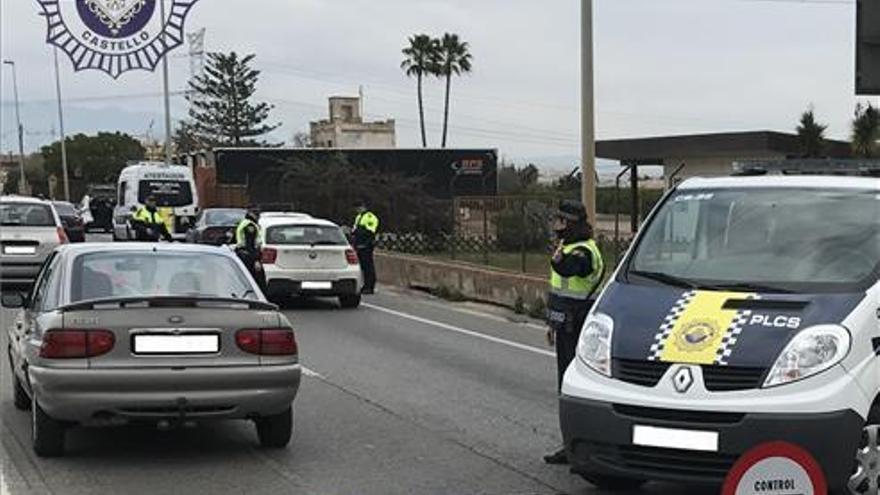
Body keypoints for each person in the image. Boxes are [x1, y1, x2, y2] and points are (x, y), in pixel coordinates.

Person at [543, 199, 605, 465]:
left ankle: (581, 448)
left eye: (560, 221)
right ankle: (572, 445)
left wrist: (558, 258)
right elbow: (560, 291)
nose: (556, 226)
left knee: (576, 388)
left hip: (579, 327)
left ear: (570, 223)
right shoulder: (568, 246)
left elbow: (571, 268)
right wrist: (552, 324)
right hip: (565, 324)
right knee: (566, 387)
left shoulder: (583, 251)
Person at [235, 205, 267, 292]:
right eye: (256, 213)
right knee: (258, 282)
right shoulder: (250, 226)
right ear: (250, 213)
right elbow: (250, 244)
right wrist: (256, 260)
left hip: (245, 255)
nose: (258, 215)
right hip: (249, 257)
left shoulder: (245, 222)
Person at [352, 200, 379, 295]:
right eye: (356, 208)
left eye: (359, 208)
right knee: (363, 266)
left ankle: (370, 286)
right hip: (359, 245)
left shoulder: (370, 217)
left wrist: (359, 232)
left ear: (364, 207)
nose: (357, 210)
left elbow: (370, 231)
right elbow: (355, 230)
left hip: (366, 244)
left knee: (368, 266)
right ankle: (365, 285)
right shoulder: (359, 217)